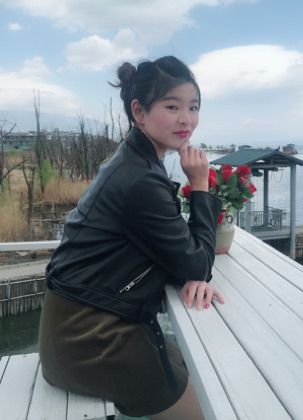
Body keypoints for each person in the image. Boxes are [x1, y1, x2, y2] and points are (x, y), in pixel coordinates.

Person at [38, 56, 224, 419]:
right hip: (90, 339)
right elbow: (197, 263)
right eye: (172, 106)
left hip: (81, 326)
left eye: (193, 107)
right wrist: (200, 186)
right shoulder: (139, 178)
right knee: (207, 408)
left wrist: (188, 266)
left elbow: (181, 256)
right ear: (139, 111)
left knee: (194, 370)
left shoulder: (135, 162)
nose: (186, 119)